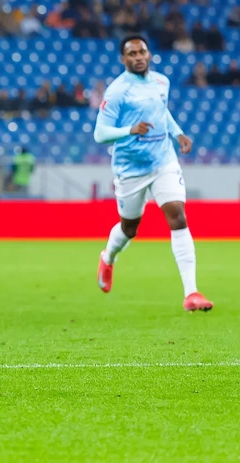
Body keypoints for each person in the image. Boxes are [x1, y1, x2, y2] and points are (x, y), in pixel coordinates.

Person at [94, 35, 212, 312]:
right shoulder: (117, 91)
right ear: (123, 59)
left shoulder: (161, 82)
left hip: (163, 161)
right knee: (129, 228)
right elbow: (100, 133)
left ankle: (191, 293)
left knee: (177, 215)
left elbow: (162, 112)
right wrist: (129, 130)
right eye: (131, 53)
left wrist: (178, 133)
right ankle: (108, 256)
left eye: (142, 51)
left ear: (149, 54)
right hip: (129, 168)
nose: (138, 57)